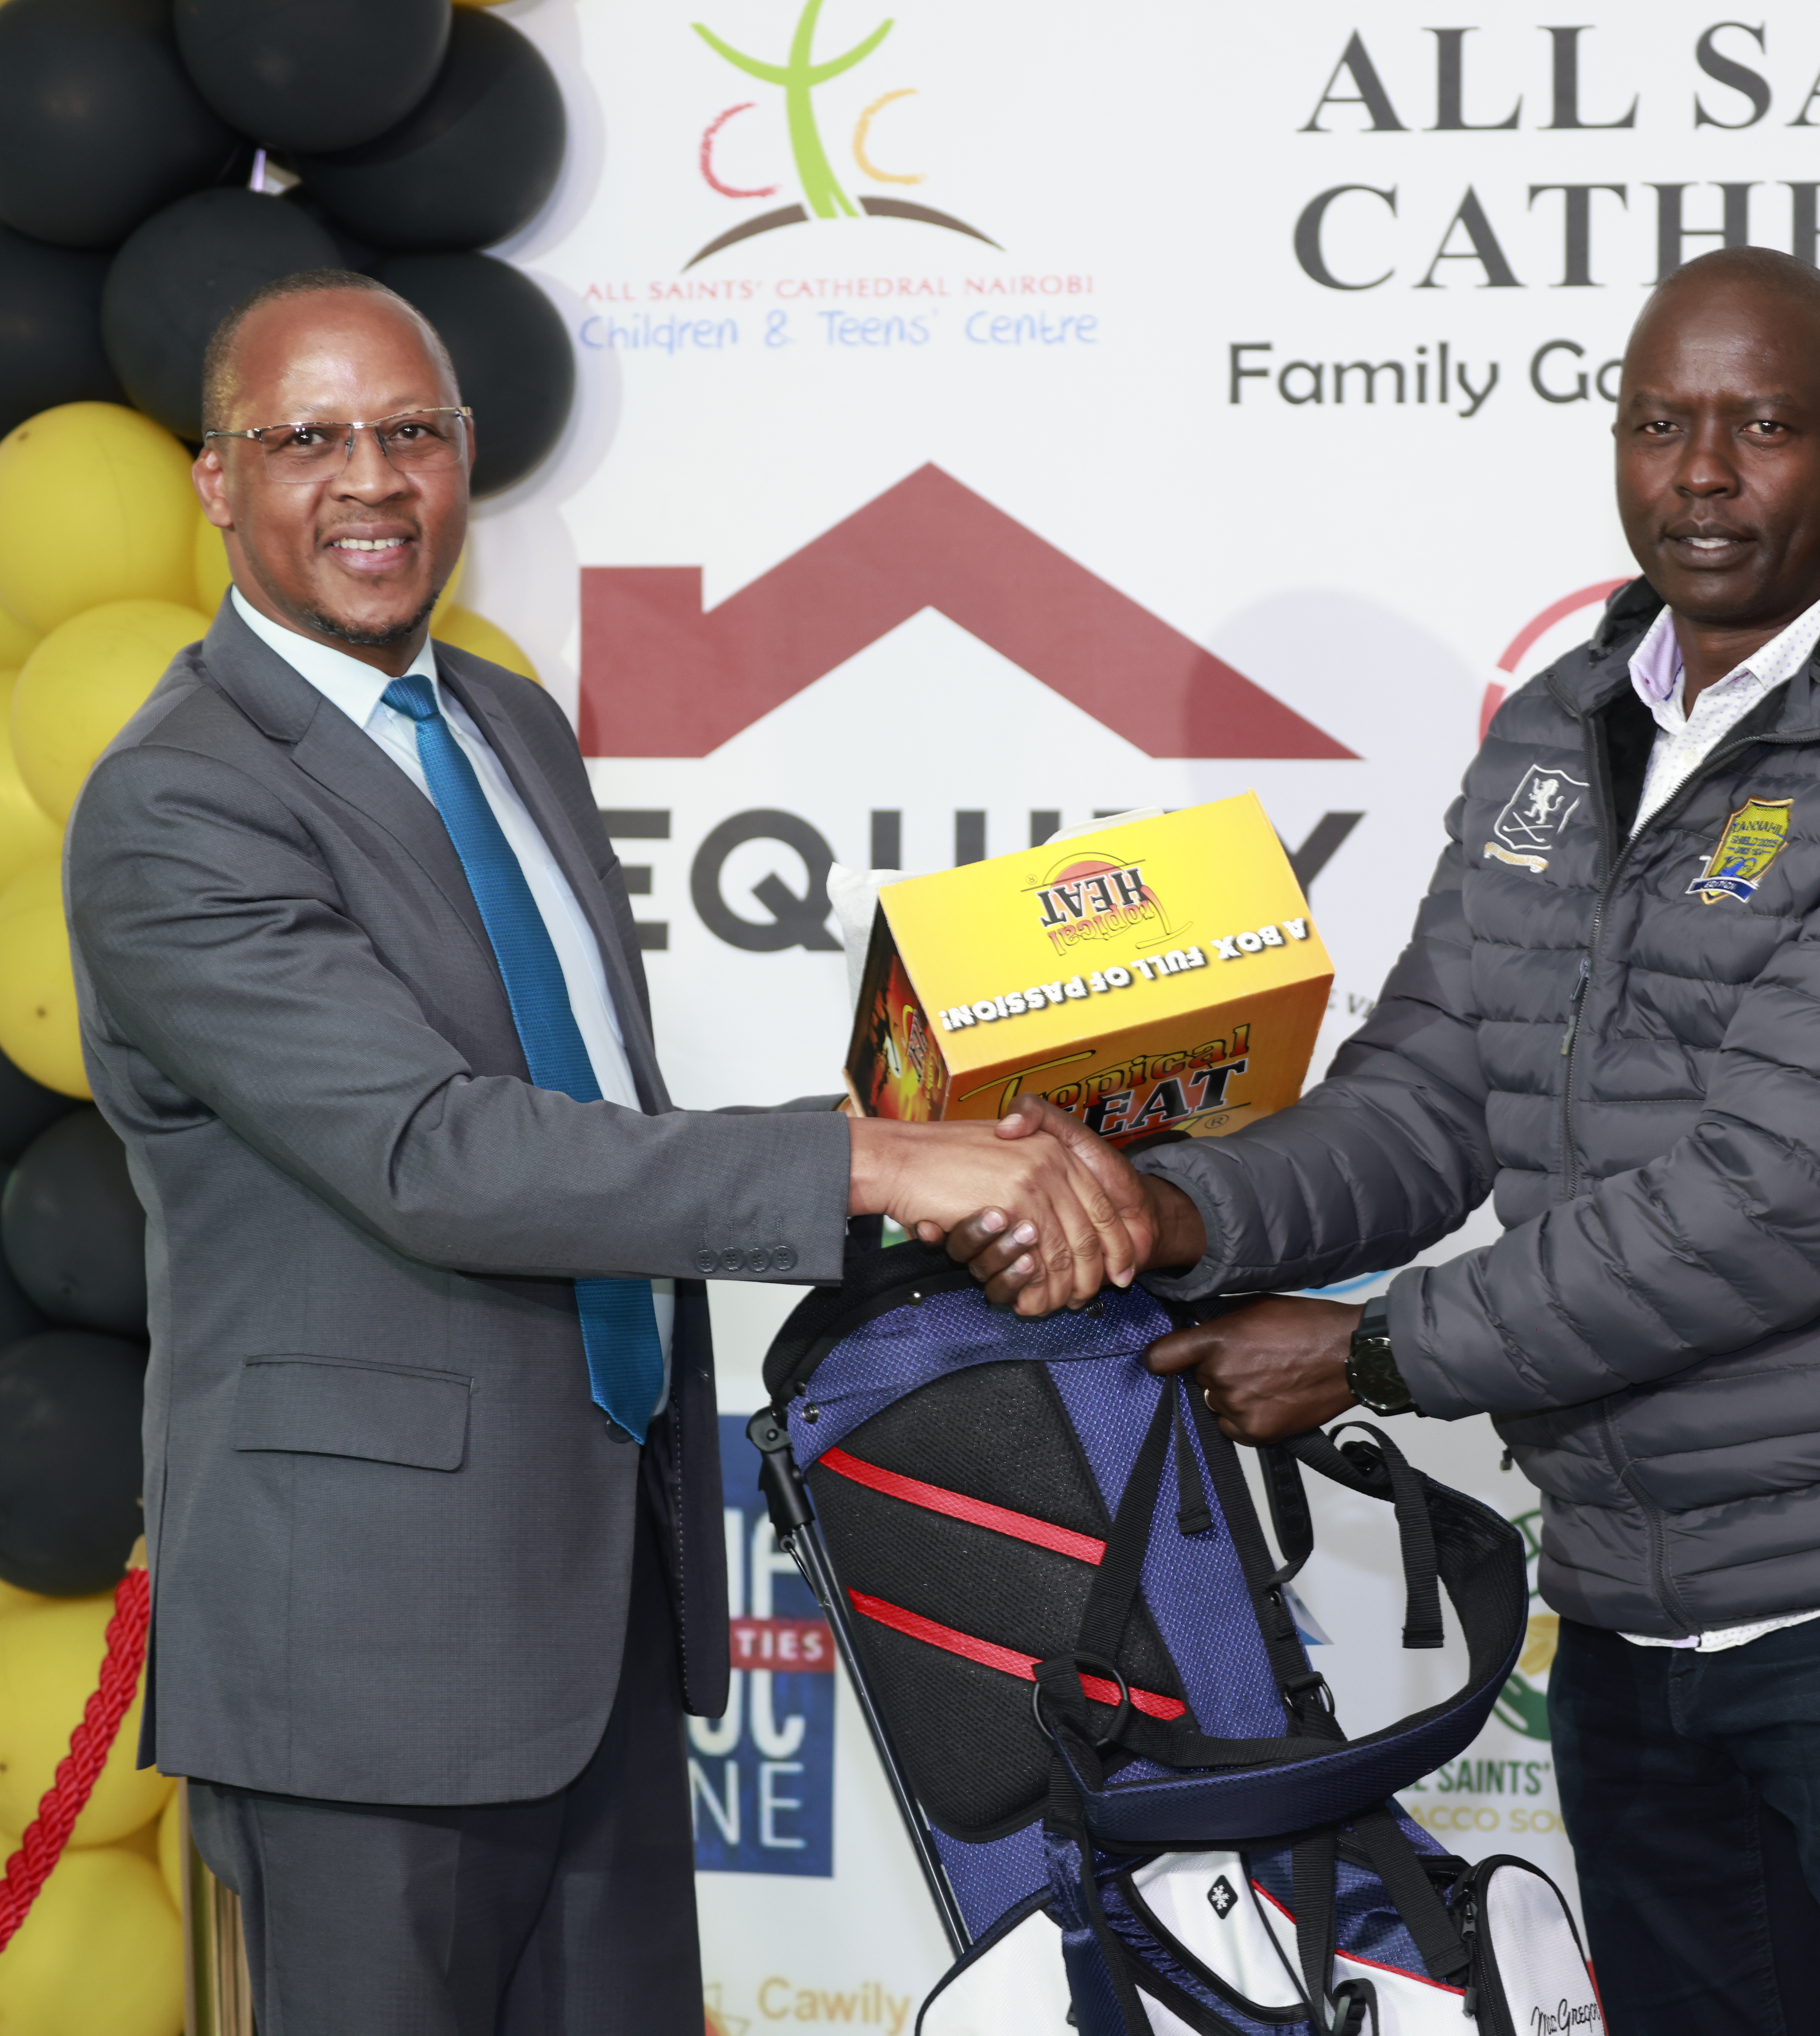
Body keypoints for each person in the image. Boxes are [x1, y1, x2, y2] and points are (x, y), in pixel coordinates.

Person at [944, 246, 1820, 2034]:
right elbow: (1426, 1093)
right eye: (1660, 424)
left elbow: (1764, 1201)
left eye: (1762, 427)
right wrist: (1165, 1213)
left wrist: (1373, 1350)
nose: (1701, 471)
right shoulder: (1560, 735)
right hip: (1634, 1603)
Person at [63, 270, 1146, 2035]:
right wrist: (877, 1164)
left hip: (592, 1605)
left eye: (412, 432)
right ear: (212, 478)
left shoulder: (504, 728)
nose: (370, 479)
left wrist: (962, 1144)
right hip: (360, 1652)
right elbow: (438, 1153)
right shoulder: (180, 799)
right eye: (306, 438)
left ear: (468, 458)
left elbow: (599, 1126)